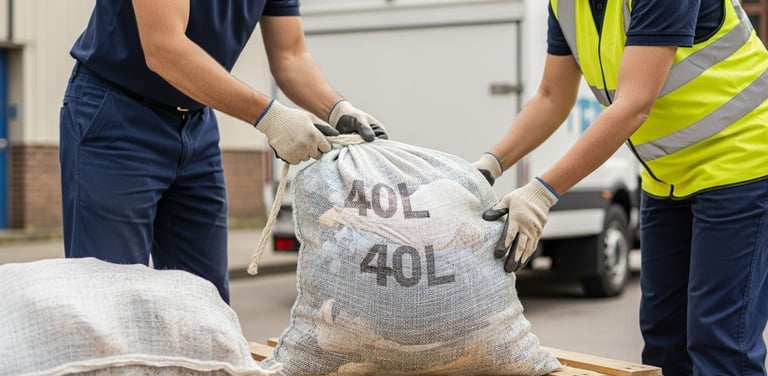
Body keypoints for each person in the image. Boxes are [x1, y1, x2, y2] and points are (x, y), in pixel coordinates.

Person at [472, 0, 768, 374]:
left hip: (744, 163)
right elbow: (552, 96)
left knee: (720, 341)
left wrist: (543, 192)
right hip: (667, 177)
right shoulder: (566, 4)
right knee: (664, 338)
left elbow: (634, 104)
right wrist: (488, 166)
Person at [59, 0, 386, 304]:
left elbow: (291, 56)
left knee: (206, 303)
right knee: (111, 298)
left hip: (195, 121)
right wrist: (270, 117)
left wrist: (337, 108)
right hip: (117, 116)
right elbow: (163, 47)